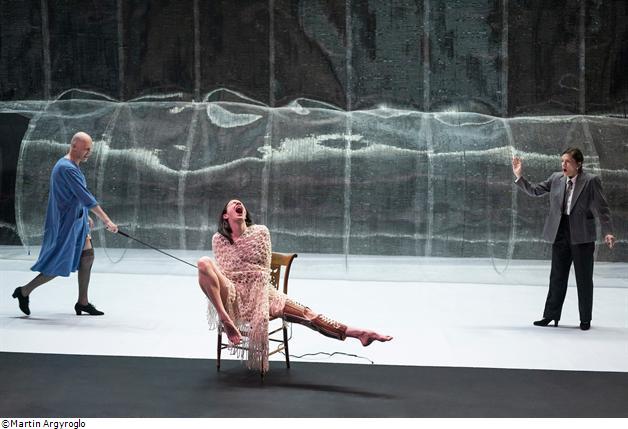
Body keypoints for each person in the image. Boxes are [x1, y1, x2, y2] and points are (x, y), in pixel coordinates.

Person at [197, 199, 392, 372]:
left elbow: (263, 269)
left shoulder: (260, 232)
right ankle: (225, 319)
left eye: (241, 204)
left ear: (245, 213)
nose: (238, 204)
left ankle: (359, 334)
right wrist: (229, 278)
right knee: (204, 263)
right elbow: (222, 272)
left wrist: (247, 280)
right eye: (233, 203)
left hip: (262, 294)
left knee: (308, 315)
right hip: (232, 294)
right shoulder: (219, 240)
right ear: (225, 215)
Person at [12, 132, 118, 316]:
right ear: (74, 146)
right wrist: (107, 220)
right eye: (86, 149)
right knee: (59, 264)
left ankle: (83, 302)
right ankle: (24, 291)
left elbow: (75, 196)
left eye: (90, 149)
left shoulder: (71, 165)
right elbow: (86, 197)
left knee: (87, 257)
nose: (89, 153)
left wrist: (85, 216)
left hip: (77, 221)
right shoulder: (66, 168)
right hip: (66, 224)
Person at [512, 148, 616, 330]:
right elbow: (535, 190)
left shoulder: (591, 181)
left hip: (582, 236)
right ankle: (550, 315)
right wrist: (519, 176)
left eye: (567, 161)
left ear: (578, 164)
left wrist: (608, 232)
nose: (563, 165)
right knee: (557, 277)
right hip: (560, 232)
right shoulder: (556, 178)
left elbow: (603, 208)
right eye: (562, 161)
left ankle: (585, 319)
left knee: (584, 279)